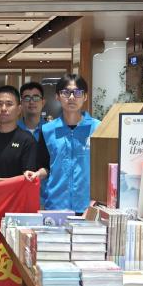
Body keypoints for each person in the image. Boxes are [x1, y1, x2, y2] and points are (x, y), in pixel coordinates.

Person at [25, 74, 101, 213]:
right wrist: (37, 174)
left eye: (77, 92)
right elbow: (45, 166)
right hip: (56, 206)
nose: (71, 97)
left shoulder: (98, 129)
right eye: (66, 92)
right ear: (57, 96)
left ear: (85, 96)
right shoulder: (47, 130)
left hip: (89, 207)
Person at [0, 85, 37, 182]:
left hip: (14, 192)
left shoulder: (27, 140)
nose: (3, 108)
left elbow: (29, 178)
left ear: (19, 109)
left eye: (9, 104)